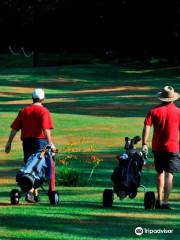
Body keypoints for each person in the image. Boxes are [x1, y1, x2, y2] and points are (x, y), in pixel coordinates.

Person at [5, 88, 55, 203]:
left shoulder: (24, 111)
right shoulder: (44, 111)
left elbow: (14, 129)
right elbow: (46, 130)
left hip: (27, 143)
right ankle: (31, 192)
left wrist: (9, 143)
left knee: (30, 166)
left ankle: (34, 195)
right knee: (39, 167)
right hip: (40, 142)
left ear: (32, 98)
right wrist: (50, 144)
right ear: (43, 98)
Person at [141, 86, 180, 210]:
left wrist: (144, 143)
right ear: (173, 99)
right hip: (173, 147)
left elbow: (147, 126)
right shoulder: (179, 112)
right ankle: (166, 202)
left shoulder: (153, 111)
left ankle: (159, 200)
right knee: (170, 174)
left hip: (158, 147)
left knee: (160, 173)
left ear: (161, 98)